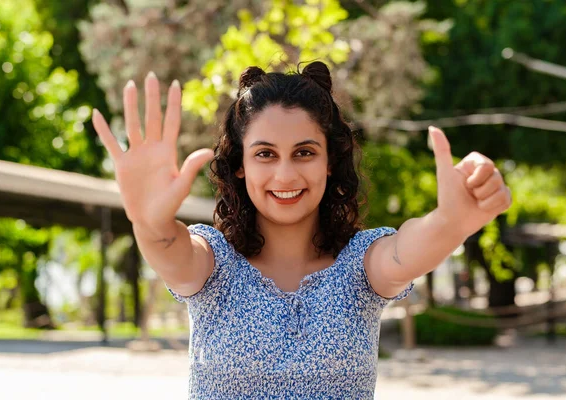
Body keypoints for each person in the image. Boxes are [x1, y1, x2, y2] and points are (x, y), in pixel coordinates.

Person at [91, 61, 511, 398]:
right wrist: (148, 223)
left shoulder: (360, 263)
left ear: (330, 161)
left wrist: (451, 222)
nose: (285, 173)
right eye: (265, 154)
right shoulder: (212, 260)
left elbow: (408, 250)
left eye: (304, 152)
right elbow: (170, 249)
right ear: (240, 165)